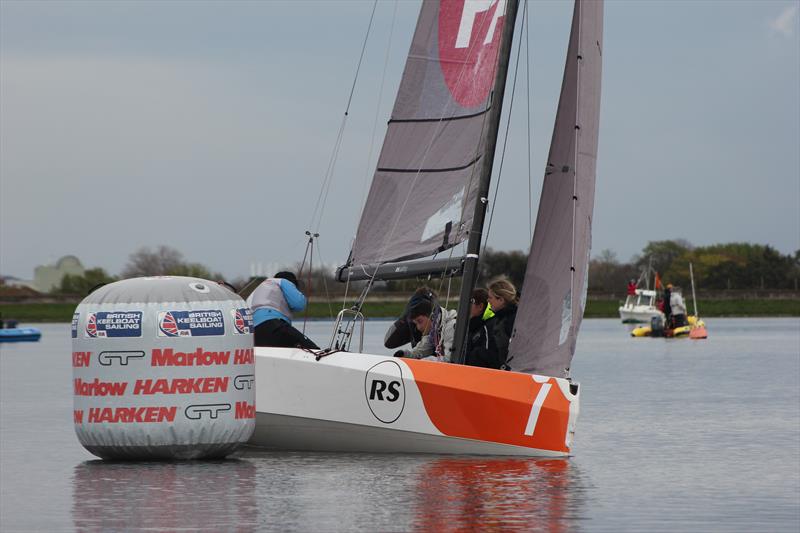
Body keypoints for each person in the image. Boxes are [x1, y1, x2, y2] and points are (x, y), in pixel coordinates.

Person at [250, 271, 319, 349]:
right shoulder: (283, 281)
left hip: (254, 331)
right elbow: (299, 303)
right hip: (273, 324)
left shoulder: (262, 287)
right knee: (312, 349)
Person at [393, 291, 457, 362]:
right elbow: (422, 350)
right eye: (416, 323)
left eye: (419, 321)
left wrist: (423, 362)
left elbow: (449, 360)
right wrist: (405, 355)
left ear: (432, 316)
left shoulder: (451, 327)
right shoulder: (433, 330)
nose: (418, 327)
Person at [464, 288, 501, 369]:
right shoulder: (473, 326)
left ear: (480, 306)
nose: (467, 306)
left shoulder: (488, 327)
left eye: (471, 302)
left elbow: (488, 359)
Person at [487, 277, 519, 369]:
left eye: (490, 298)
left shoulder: (512, 320)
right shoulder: (500, 318)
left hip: (510, 372)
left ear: (501, 300)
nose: (488, 301)